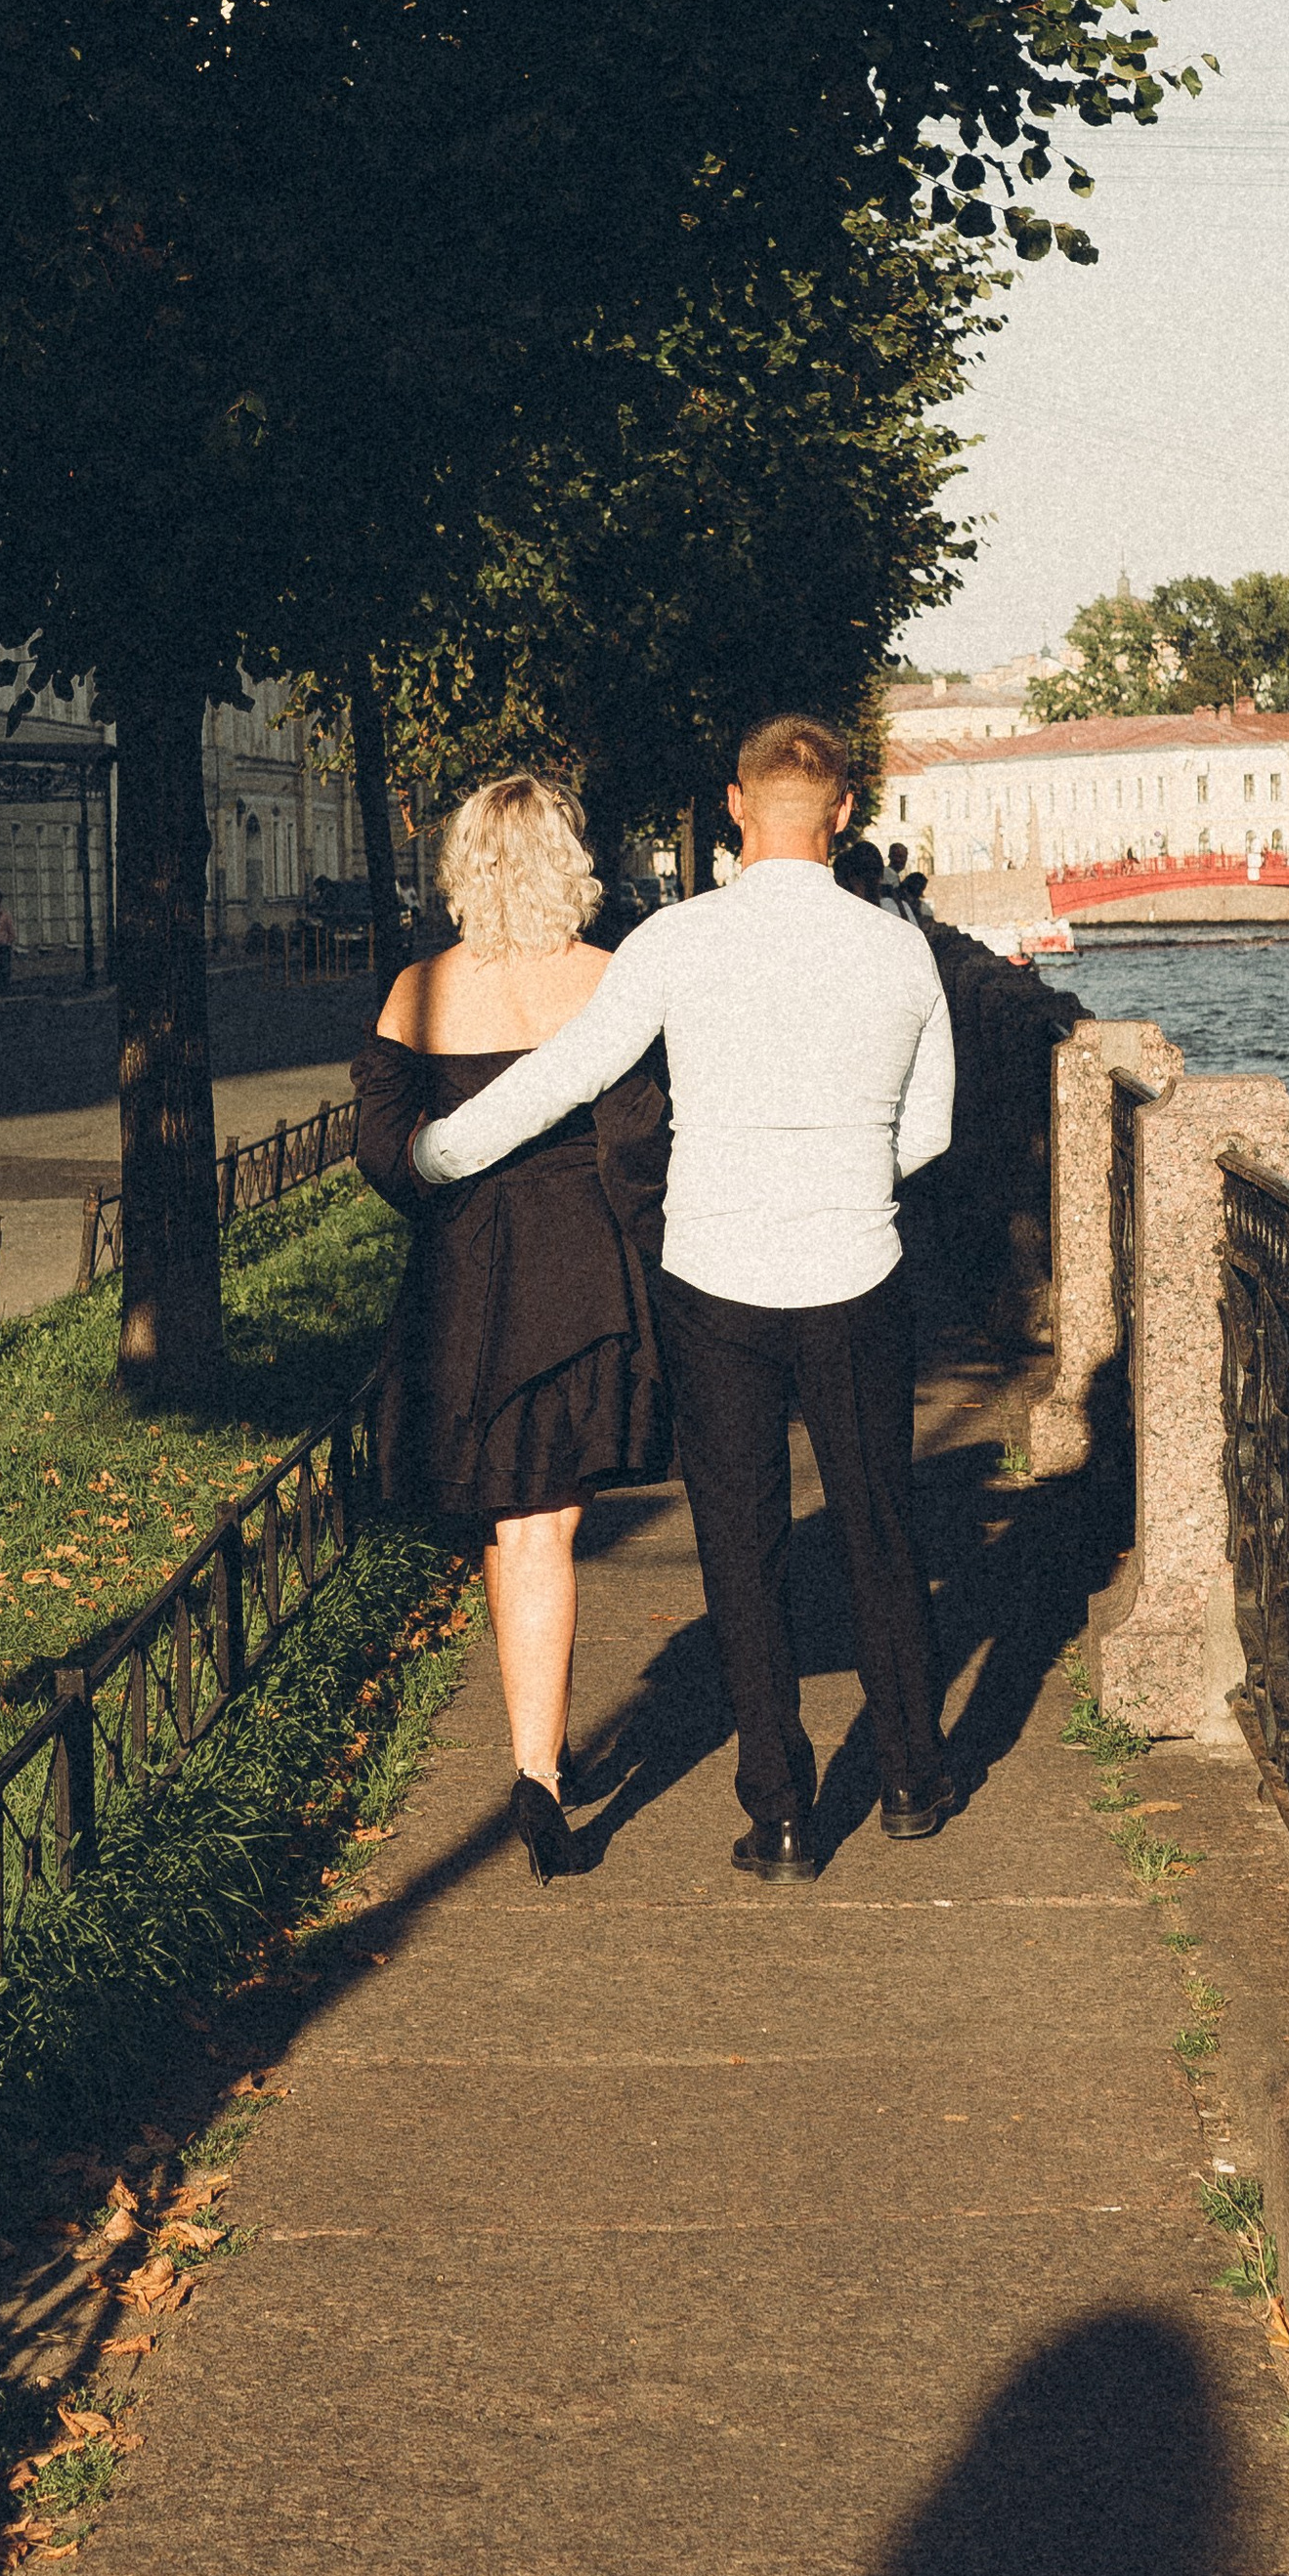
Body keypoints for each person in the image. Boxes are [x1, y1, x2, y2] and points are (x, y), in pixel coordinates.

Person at [411, 714, 957, 1885]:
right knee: (878, 1521)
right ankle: (912, 1773)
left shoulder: (676, 941)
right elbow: (932, 1128)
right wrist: (850, 1174)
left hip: (715, 1276)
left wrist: (440, 1156)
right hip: (855, 1266)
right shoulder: (898, 949)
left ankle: (783, 1812)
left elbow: (570, 1071)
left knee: (741, 1541)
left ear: (733, 806)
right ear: (846, 815)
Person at [354, 777, 669, 1885]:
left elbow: (387, 1155)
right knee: (544, 1526)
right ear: (567, 861)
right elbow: (643, 1144)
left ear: (463, 866)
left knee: (515, 1524)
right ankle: (538, 1764)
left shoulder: (418, 991)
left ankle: (538, 1756)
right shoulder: (609, 984)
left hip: (469, 1283)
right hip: (587, 1274)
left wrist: (455, 1201)